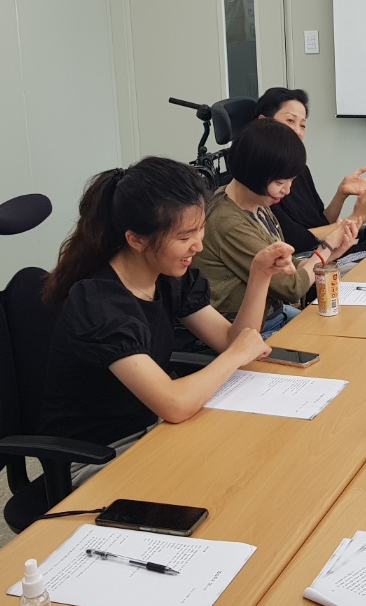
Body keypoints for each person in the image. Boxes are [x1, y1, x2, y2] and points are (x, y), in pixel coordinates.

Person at [41, 156, 288, 453]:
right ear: (136, 240)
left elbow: (232, 340)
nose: (198, 245)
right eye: (184, 236)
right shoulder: (100, 304)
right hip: (101, 455)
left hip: (154, 429)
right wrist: (235, 355)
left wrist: (260, 275)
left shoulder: (167, 277)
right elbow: (175, 404)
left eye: (200, 229)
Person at [195, 119, 359, 332]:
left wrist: (331, 253)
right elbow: (291, 288)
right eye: (280, 183)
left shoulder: (254, 202)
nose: (287, 190)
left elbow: (287, 266)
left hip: (275, 314)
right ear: (254, 174)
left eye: (291, 181)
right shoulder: (229, 224)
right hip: (252, 329)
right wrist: (325, 248)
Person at [255, 86, 366, 253]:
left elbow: (321, 224)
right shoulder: (259, 177)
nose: (297, 131)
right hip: (304, 261)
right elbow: (295, 242)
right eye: (290, 121)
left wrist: (341, 194)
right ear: (264, 122)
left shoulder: (300, 170)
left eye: (303, 125)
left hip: (322, 254)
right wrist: (356, 218)